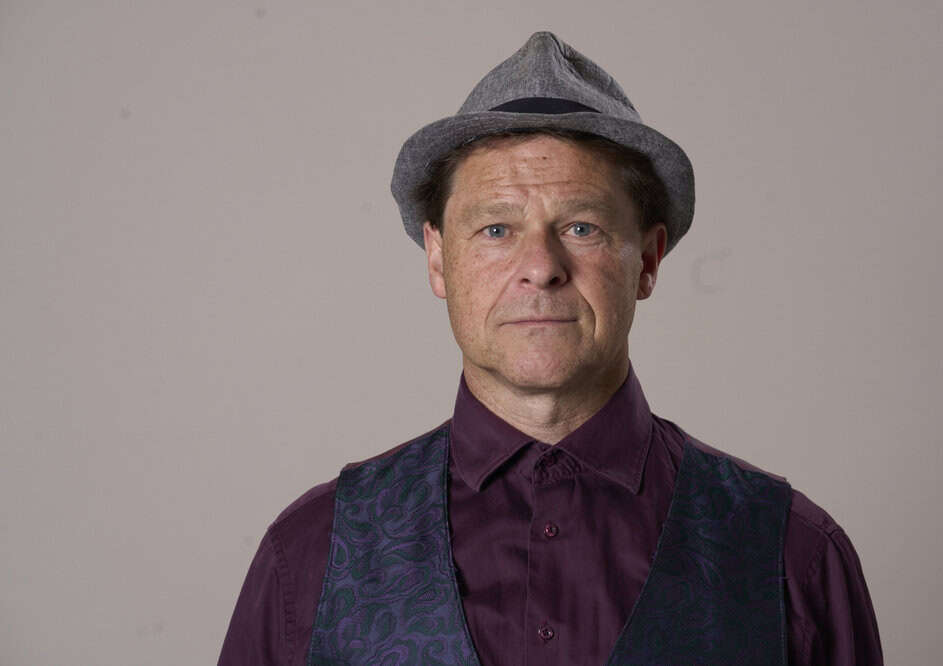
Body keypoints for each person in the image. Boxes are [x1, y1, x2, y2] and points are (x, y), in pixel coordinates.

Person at [219, 31, 882, 665]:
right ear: (438, 260)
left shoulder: (791, 557)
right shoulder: (309, 554)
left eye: (582, 227)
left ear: (647, 260)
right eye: (496, 229)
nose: (540, 267)